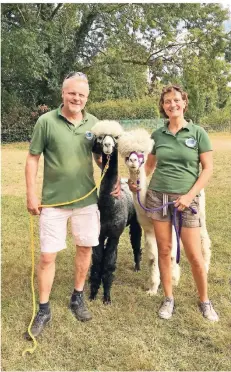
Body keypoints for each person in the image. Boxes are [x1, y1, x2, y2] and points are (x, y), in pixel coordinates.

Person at [25, 72, 120, 339]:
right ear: (63, 94)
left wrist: (112, 170)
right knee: (47, 256)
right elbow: (32, 159)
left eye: (81, 94)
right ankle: (43, 309)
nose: (76, 98)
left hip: (86, 201)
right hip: (53, 202)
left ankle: (77, 297)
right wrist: (31, 194)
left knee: (84, 248)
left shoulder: (96, 124)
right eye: (72, 93)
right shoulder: (46, 121)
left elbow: (102, 160)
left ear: (86, 97)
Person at [128, 84, 219, 322]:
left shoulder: (198, 133)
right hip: (158, 197)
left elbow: (208, 169)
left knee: (194, 254)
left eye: (176, 100)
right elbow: (148, 167)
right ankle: (168, 298)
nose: (172, 104)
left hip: (187, 200)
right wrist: (137, 182)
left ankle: (205, 301)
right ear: (163, 106)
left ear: (184, 103)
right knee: (165, 250)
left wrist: (190, 196)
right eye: (167, 101)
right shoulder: (157, 136)